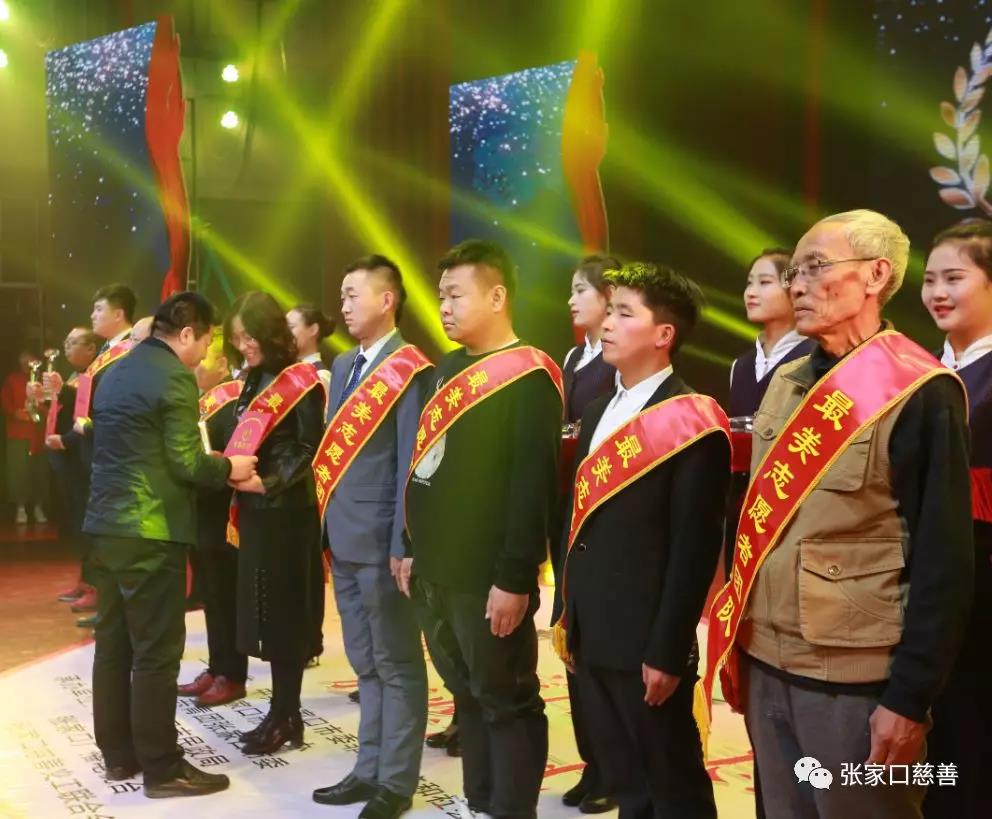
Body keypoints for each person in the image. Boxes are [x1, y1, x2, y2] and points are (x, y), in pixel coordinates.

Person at [705, 209, 974, 819]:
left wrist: (908, 698)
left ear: (876, 275)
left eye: (814, 268)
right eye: (793, 272)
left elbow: (944, 561)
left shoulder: (920, 392)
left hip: (854, 681)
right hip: (768, 663)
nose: (796, 285)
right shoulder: (786, 380)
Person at [552, 262, 729, 819]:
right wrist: (567, 614)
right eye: (609, 310)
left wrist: (667, 650)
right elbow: (577, 524)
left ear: (663, 334)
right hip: (591, 631)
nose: (607, 323)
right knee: (627, 783)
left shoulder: (692, 421)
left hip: (646, 643)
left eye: (625, 313)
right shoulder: (597, 411)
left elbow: (693, 550)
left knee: (672, 787)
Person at [399, 239, 562, 819]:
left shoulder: (529, 377)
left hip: (488, 576)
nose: (443, 307)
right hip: (436, 570)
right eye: (440, 295)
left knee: (507, 700)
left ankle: (512, 808)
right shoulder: (447, 369)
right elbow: (428, 467)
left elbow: (531, 488)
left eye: (455, 295)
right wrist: (411, 547)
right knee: (467, 695)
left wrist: (514, 578)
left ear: (497, 297)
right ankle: (481, 800)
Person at [82, 291, 257, 798]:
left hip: (104, 528)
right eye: (206, 341)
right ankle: (162, 767)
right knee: (157, 653)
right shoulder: (174, 377)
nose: (205, 353)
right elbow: (187, 462)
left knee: (113, 647)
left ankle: (119, 755)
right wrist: (229, 466)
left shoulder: (114, 372)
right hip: (151, 530)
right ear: (186, 333)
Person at [311, 255, 431, 819]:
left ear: (387, 300)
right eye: (341, 294)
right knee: (364, 662)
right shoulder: (342, 365)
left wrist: (404, 542)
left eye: (353, 294)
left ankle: (396, 781)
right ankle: (368, 768)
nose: (343, 305)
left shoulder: (410, 369)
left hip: (384, 543)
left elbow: (410, 461)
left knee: (397, 662)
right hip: (342, 536)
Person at [226, 291, 325, 756]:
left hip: (286, 513)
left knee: (284, 618)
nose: (243, 346)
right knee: (264, 614)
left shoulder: (302, 381)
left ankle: (287, 715)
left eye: (248, 336)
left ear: (268, 332)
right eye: (236, 339)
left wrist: (266, 482)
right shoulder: (254, 377)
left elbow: (309, 450)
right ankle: (280, 713)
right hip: (255, 512)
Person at [919, 220, 992, 819]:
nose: (938, 293)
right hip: (921, 582)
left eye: (954, 278)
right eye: (929, 280)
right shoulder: (920, 372)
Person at [554, 253, 620, 814]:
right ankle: (591, 763)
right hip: (567, 505)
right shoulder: (574, 356)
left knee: (602, 643)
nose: (572, 300)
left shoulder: (620, 361)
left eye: (581, 290)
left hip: (601, 505)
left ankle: (614, 769)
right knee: (570, 637)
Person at [727, 249, 812, 573]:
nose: (751, 292)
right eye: (749, 283)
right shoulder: (740, 365)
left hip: (790, 501)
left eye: (764, 282)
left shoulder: (814, 358)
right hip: (742, 501)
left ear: (795, 288)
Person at [176, 328, 248, 707]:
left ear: (222, 364)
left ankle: (231, 674)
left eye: (204, 356)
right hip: (200, 515)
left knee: (225, 597)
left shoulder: (233, 402)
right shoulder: (200, 400)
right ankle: (217, 666)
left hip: (222, 517)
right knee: (211, 598)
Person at [44, 327, 100, 615]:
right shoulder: (73, 376)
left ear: (91, 348)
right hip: (71, 458)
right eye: (65, 341)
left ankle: (95, 587)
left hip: (84, 458)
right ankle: (85, 580)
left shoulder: (96, 374)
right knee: (78, 523)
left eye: (73, 342)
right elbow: (70, 414)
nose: (66, 346)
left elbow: (88, 420)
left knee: (90, 526)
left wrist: (65, 440)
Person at [2, 351, 47, 524]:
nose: (26, 361)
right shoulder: (12, 380)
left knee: (40, 470)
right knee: (18, 470)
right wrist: (15, 413)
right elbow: (5, 401)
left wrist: (43, 409)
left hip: (40, 433)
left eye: (30, 357)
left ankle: (38, 507)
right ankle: (20, 508)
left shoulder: (45, 379)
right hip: (18, 432)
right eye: (23, 357)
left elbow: (54, 403)